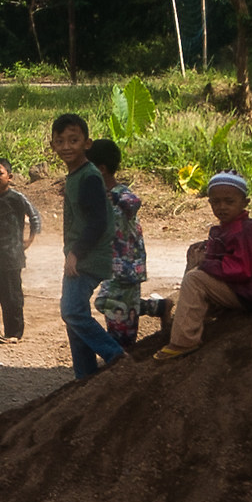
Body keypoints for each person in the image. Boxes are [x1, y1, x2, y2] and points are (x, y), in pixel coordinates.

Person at [153, 171, 252, 360]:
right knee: (198, 254)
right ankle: (200, 317)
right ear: (209, 203)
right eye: (216, 202)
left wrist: (207, 265)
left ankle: (184, 341)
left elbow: (241, 269)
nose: (222, 207)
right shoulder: (225, 228)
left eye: (229, 201)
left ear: (244, 203)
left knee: (195, 279)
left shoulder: (246, 230)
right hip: (247, 289)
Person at [52, 110, 126, 379]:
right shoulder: (77, 175)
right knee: (75, 317)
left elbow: (97, 221)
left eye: (73, 140)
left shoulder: (89, 176)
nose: (66, 147)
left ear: (87, 143)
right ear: (52, 146)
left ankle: (115, 354)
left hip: (88, 257)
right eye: (60, 141)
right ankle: (85, 376)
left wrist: (75, 253)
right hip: (80, 256)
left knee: (71, 311)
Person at [85, 137, 156, 350]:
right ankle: (156, 307)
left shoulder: (120, 195)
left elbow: (133, 202)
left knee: (121, 326)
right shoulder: (101, 196)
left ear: (102, 169)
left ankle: (120, 362)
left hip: (127, 267)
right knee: (107, 305)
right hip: (113, 266)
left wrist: (114, 200)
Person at [0, 156, 41, 341]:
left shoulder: (17, 198)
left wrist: (30, 240)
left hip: (11, 255)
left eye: (0, 173)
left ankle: (13, 333)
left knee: (11, 296)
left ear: (9, 177)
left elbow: (35, 217)